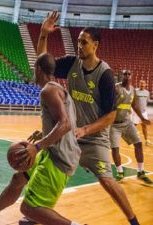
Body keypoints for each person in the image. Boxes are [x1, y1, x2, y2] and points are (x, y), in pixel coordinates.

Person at [0, 16, 83, 225]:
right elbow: (61, 122)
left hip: (60, 158)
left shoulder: (48, 90)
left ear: (37, 69)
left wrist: (37, 146)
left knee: (29, 207)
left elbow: (64, 124)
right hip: (53, 150)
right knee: (18, 178)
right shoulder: (53, 87)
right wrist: (44, 135)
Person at [35, 12, 139, 225]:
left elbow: (111, 116)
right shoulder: (71, 64)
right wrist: (43, 35)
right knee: (42, 168)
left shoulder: (105, 74)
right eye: (78, 41)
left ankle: (134, 221)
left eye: (84, 42)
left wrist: (85, 130)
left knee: (108, 181)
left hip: (94, 139)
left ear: (95, 45)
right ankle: (36, 214)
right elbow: (43, 64)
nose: (79, 45)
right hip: (69, 134)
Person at [110, 71, 152, 184]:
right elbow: (108, 104)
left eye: (129, 74)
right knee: (115, 148)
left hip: (127, 122)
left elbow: (134, 105)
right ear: (121, 76)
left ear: (132, 76)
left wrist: (142, 119)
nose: (127, 76)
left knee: (138, 143)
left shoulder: (133, 90)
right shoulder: (116, 88)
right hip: (114, 124)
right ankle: (120, 173)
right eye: (125, 74)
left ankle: (140, 172)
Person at [131, 79, 153, 146]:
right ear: (139, 84)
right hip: (136, 112)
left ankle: (146, 140)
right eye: (141, 83)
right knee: (133, 126)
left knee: (144, 126)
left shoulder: (147, 92)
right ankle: (132, 141)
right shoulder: (135, 91)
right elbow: (132, 101)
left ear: (146, 84)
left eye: (143, 84)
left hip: (144, 112)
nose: (142, 85)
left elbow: (146, 102)